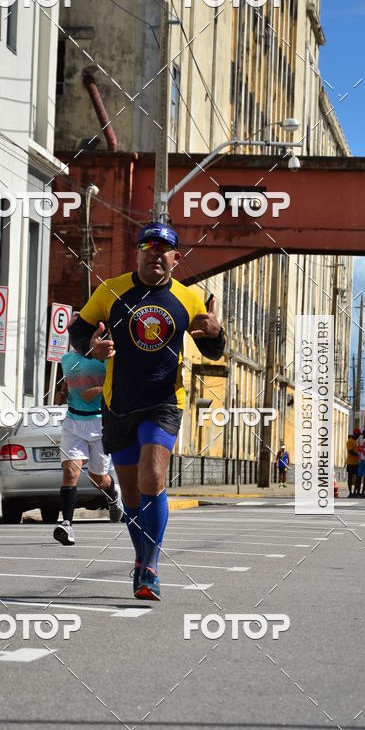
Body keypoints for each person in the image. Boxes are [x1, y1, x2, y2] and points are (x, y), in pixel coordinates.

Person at [69, 221, 226, 601]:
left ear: (176, 257)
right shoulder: (111, 290)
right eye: (148, 246)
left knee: (153, 476)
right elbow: (79, 332)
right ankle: (141, 560)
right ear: (137, 252)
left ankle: (151, 568)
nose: (155, 253)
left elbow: (213, 351)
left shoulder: (189, 299)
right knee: (133, 495)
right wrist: (92, 346)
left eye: (164, 248)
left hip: (164, 401)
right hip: (118, 403)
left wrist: (218, 332)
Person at [53, 315, 122, 545]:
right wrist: (62, 394)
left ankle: (113, 496)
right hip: (73, 421)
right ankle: (67, 525)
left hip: (100, 423)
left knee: (97, 478)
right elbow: (68, 382)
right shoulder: (66, 359)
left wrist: (98, 390)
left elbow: (119, 384)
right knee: (70, 472)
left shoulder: (106, 358)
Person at [346, 427, 361, 497]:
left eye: (359, 435)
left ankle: (355, 492)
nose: (358, 436)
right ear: (355, 434)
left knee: (358, 478)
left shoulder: (358, 441)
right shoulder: (350, 441)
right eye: (357, 435)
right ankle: (350, 492)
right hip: (350, 462)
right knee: (350, 477)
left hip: (357, 463)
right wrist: (359, 455)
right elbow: (351, 452)